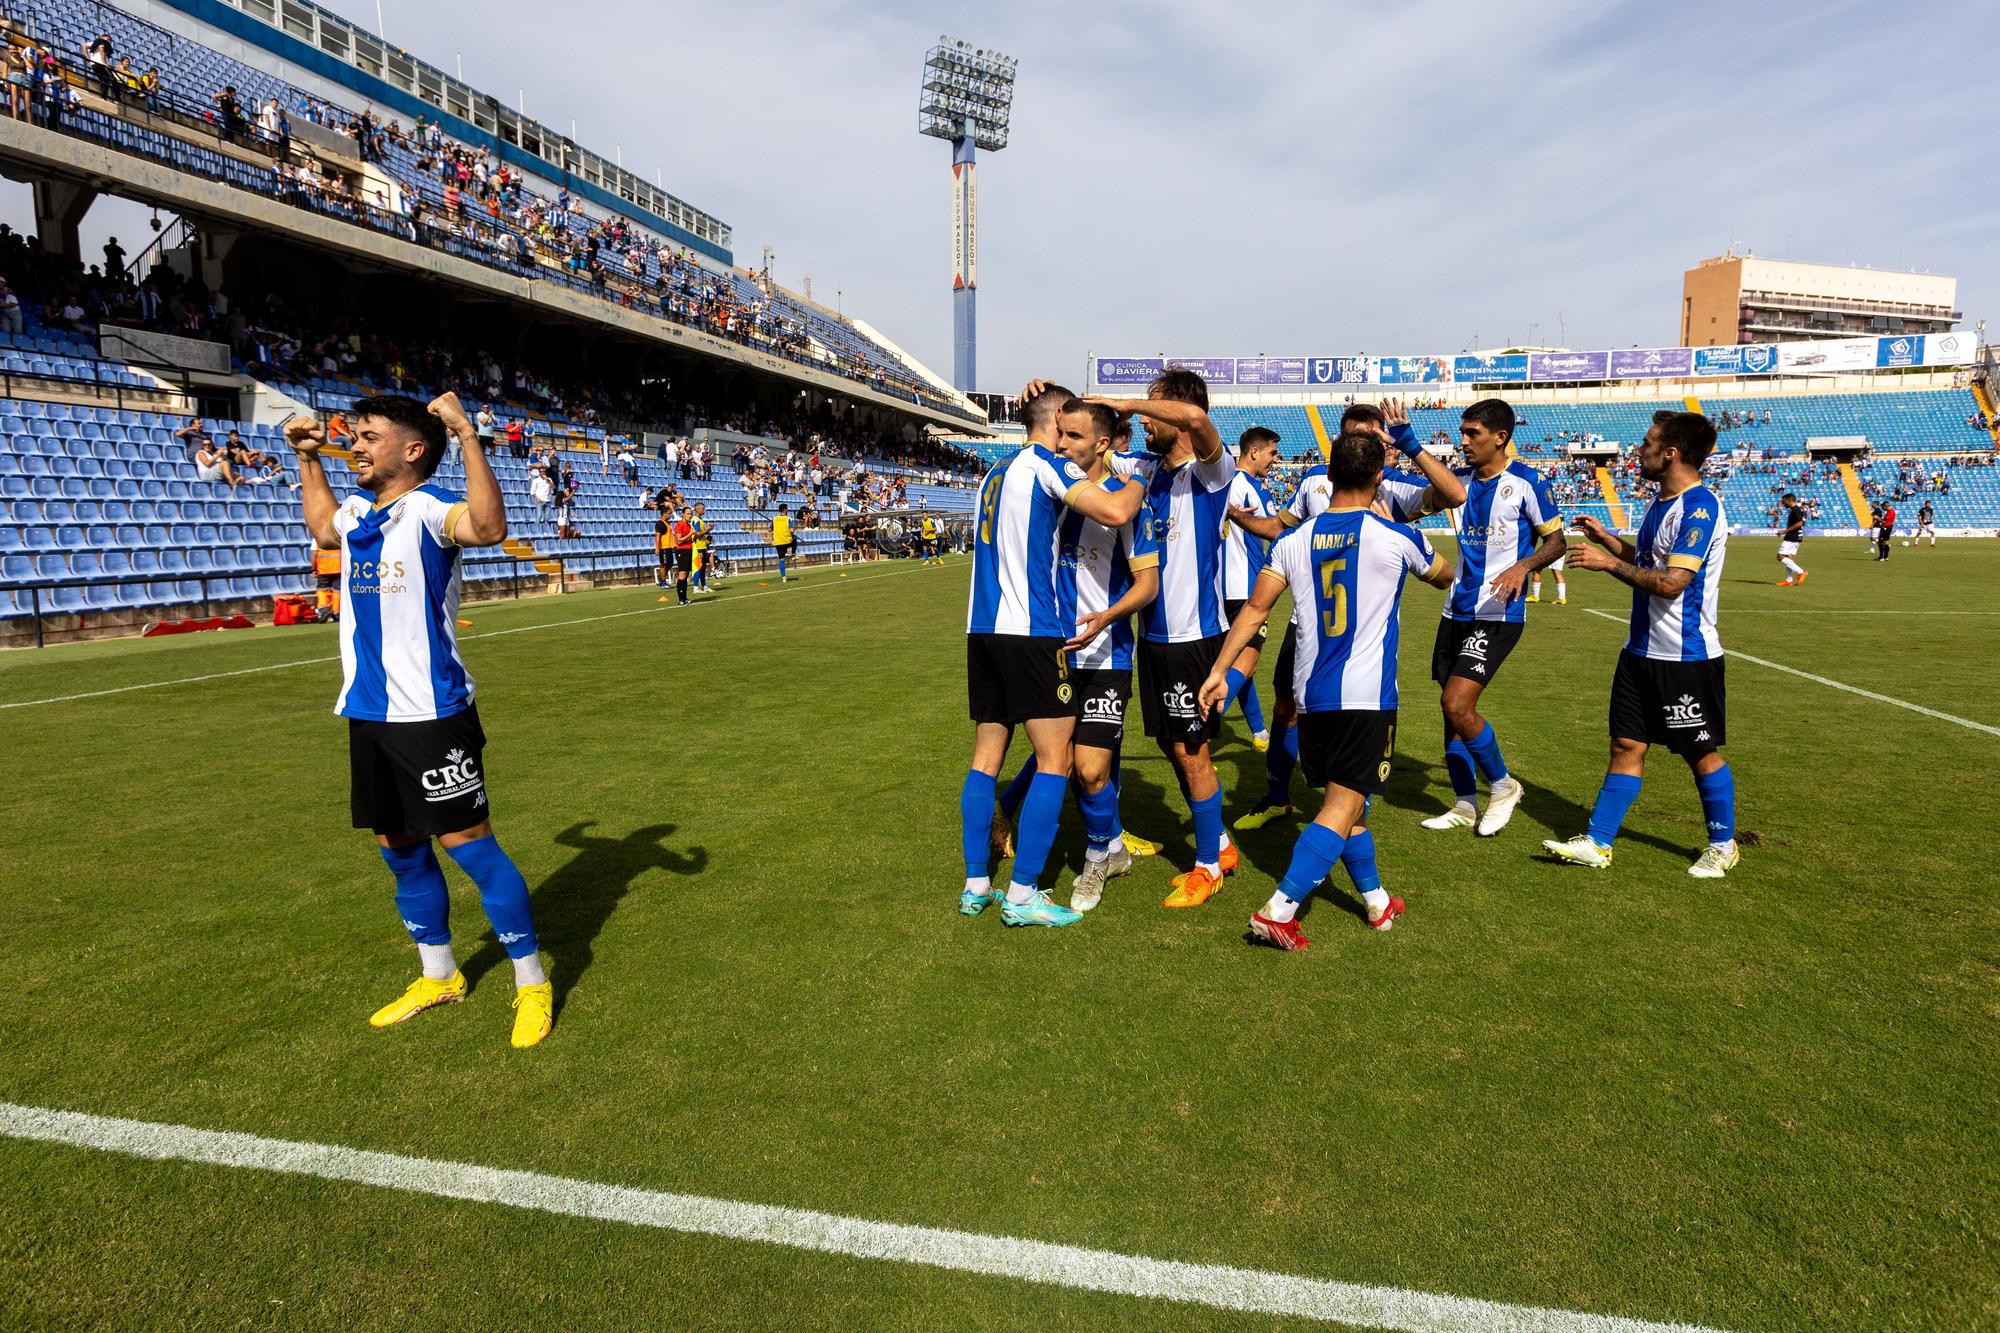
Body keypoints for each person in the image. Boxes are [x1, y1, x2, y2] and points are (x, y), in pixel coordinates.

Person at [284, 391, 553, 1048]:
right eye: (356, 434)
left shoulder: (428, 510)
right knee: (400, 850)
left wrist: (465, 434)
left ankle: (532, 981)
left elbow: (488, 529)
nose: (357, 443)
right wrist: (307, 458)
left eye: (370, 435)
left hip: (432, 714)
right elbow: (323, 528)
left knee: (474, 851)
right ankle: (440, 975)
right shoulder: (357, 512)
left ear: (411, 450)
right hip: (368, 714)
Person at [1197, 428, 1455, 949]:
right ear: (1379, 477)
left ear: (1327, 474)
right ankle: (1280, 908)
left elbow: (1254, 611)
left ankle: (1377, 902)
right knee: (1342, 805)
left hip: (1310, 697)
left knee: (1349, 804)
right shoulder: (1394, 535)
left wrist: (1219, 670)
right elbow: (1446, 575)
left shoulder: (1293, 540)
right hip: (1366, 698)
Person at [957, 382, 1145, 927]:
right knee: (1055, 761)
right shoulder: (1046, 465)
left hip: (982, 631)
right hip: (1032, 632)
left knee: (985, 759)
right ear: (1059, 420)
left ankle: (976, 885)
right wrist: (1136, 485)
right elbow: (1111, 510)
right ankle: (1022, 895)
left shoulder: (992, 475)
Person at [1235, 400, 1465, 832]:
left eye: (1372, 436)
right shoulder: (1313, 482)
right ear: (1338, 442)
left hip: (1364, 631)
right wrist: (1238, 518)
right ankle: (1278, 797)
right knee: (1286, 708)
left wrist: (1411, 446)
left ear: (1384, 442)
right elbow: (1279, 529)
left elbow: (1455, 495)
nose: (1361, 443)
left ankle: (1352, 812)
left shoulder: (1395, 487)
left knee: (1353, 732)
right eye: (1352, 436)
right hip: (1307, 624)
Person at [1544, 411, 1739, 879]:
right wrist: (1611, 543)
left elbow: (1672, 583)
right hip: (1640, 652)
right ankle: (1598, 842)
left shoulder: (1700, 507)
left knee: (1699, 751)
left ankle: (1723, 843)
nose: (1640, 449)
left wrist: (1608, 565)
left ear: (1670, 453)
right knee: (1626, 744)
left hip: (1684, 657)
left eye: (1648, 442)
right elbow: (1652, 561)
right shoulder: (1661, 502)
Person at [1080, 368, 1244, 909]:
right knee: (1172, 745)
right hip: (1151, 636)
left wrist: (1128, 402)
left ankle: (1206, 867)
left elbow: (1197, 418)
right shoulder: (1143, 468)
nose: (1143, 419)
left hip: (1194, 637)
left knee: (1192, 750)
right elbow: (1092, 449)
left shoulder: (1212, 472)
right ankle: (1218, 842)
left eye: (1154, 410)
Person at [1419, 399, 1566, 837]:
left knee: (1457, 703)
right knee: (1451, 712)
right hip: (1456, 609)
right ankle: (1465, 803)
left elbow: (1556, 542)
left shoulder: (1527, 481)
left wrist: (1524, 565)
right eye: (1461, 433)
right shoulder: (1457, 482)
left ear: (1500, 437)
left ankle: (1503, 786)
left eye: (1472, 434)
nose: (1462, 442)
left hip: (1499, 612)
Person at [1214, 426, 1281, 750]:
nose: (1275, 459)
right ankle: (1206, 723)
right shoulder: (1248, 488)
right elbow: (1275, 533)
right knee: (1246, 663)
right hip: (1248, 590)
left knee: (1239, 664)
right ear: (1254, 452)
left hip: (1220, 590)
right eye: (1271, 452)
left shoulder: (1223, 483)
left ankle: (1258, 731)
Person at [1776, 491, 1809, 586]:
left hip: (1792, 537)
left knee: (1780, 556)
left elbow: (1799, 524)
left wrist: (1784, 531)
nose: (1782, 503)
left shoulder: (1796, 510)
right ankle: (1789, 580)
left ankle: (1801, 572)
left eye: (1783, 501)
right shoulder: (1799, 509)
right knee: (1788, 558)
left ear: (1789, 500)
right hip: (1797, 537)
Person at [690, 501, 715, 591]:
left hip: (702, 546)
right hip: (697, 547)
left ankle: (704, 586)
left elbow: (702, 533)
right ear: (697, 509)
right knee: (698, 567)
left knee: (703, 567)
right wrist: (707, 529)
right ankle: (696, 587)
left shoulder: (700, 520)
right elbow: (697, 535)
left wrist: (709, 529)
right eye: (702, 509)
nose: (704, 510)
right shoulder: (695, 520)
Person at [770, 503, 796, 581]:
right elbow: (791, 530)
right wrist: (792, 530)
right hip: (786, 541)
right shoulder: (788, 519)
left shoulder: (774, 519)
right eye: (787, 508)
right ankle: (793, 554)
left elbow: (770, 529)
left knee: (781, 559)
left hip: (778, 542)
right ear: (785, 510)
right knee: (794, 539)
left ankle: (784, 577)